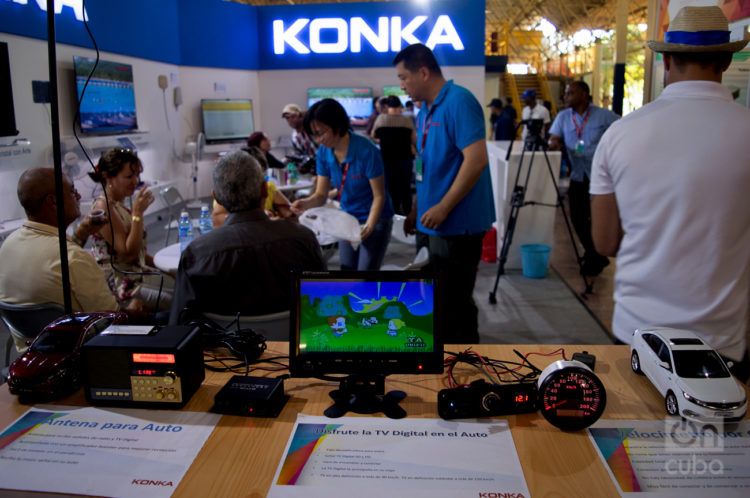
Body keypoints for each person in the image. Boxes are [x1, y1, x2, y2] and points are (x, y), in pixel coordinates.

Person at [590, 5, 750, 382]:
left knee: (633, 439)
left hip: (637, 333)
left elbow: (604, 241)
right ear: (726, 60)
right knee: (713, 437)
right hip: (722, 339)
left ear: (665, 59)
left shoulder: (619, 135)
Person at [393, 43, 495, 344]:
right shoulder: (424, 111)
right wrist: (416, 208)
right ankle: (439, 355)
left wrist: (443, 208)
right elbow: (426, 166)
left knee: (454, 303)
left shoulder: (459, 102)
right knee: (431, 298)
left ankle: (463, 365)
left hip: (456, 226)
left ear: (423, 72)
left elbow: (476, 160)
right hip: (430, 223)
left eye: (403, 78)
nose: (402, 86)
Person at [170, 150, 325, 323]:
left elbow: (180, 325)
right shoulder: (303, 239)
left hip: (224, 347)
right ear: (265, 190)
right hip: (293, 344)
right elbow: (324, 305)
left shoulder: (197, 255)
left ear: (216, 198)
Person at [0, 169, 120, 348]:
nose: (78, 195)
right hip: (84, 357)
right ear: (53, 201)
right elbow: (113, 320)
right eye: (72, 191)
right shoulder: (74, 258)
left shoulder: (8, 245)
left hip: (32, 353)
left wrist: (82, 232)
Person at [291, 98, 394, 271]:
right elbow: (321, 195)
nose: (318, 140)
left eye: (321, 132)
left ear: (337, 125)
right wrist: (305, 203)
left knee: (365, 274)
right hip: (347, 218)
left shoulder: (367, 151)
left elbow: (379, 195)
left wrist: (369, 225)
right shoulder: (324, 152)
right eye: (314, 134)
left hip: (375, 218)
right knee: (347, 270)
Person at [548, 81, 619, 276]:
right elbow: (554, 136)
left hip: (601, 177)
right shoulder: (563, 117)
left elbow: (622, 130)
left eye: (571, 93)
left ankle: (595, 255)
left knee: (597, 217)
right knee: (578, 219)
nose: (566, 96)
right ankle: (594, 253)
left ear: (584, 94)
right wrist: (554, 142)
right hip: (578, 176)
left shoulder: (603, 115)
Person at [89, 148, 172, 311]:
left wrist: (166, 267)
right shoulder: (103, 206)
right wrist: (138, 214)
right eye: (129, 176)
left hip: (136, 274)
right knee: (181, 299)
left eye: (137, 176)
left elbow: (139, 253)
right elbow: (127, 254)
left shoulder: (118, 204)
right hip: (123, 285)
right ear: (107, 177)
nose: (135, 181)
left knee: (186, 284)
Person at [211, 146, 295, 228]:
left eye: (262, 173)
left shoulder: (269, 186)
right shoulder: (227, 191)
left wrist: (280, 216)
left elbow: (289, 212)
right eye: (254, 174)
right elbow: (217, 220)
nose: (257, 179)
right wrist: (259, 217)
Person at [371, 95, 416, 216]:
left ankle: (395, 212)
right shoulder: (407, 120)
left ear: (387, 107)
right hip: (405, 159)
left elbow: (373, 136)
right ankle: (407, 212)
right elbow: (414, 139)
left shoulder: (381, 119)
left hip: (387, 159)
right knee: (405, 186)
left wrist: (383, 141)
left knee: (391, 187)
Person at [282, 103, 317, 168]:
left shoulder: (311, 128)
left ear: (300, 116)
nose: (290, 120)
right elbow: (299, 154)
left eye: (293, 116)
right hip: (313, 169)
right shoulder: (294, 136)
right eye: (287, 118)